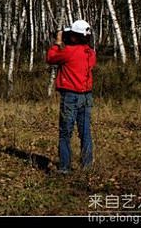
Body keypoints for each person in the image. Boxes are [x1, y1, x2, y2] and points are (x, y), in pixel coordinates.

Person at [46, 19, 96, 174]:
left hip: (70, 97)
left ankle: (65, 167)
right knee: (85, 132)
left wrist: (58, 42)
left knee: (65, 133)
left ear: (74, 37)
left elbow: (51, 58)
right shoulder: (91, 53)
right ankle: (87, 165)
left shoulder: (68, 52)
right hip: (86, 97)